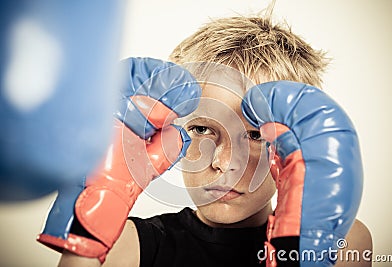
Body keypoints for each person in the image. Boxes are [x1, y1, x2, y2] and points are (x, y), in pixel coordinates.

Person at [46, 13, 372, 267]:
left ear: (295, 147)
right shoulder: (126, 245)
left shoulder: (344, 241)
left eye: (256, 135)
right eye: (203, 129)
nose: (221, 163)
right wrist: (87, 232)